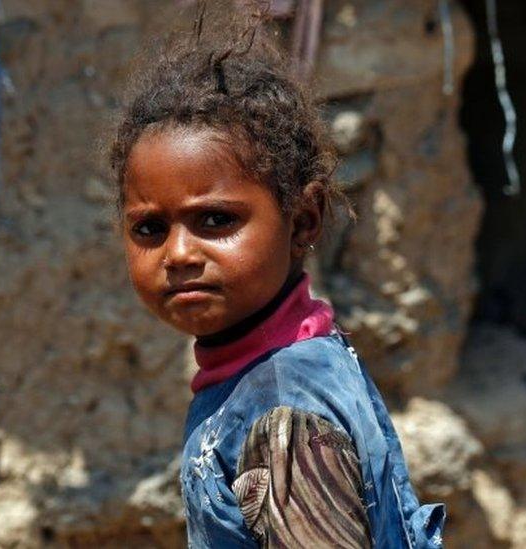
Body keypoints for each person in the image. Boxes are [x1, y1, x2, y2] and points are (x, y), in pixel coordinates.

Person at [109, 16, 445, 549]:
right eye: (149, 228)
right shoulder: (259, 376)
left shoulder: (284, 417)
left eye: (216, 220)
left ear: (303, 221)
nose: (177, 254)